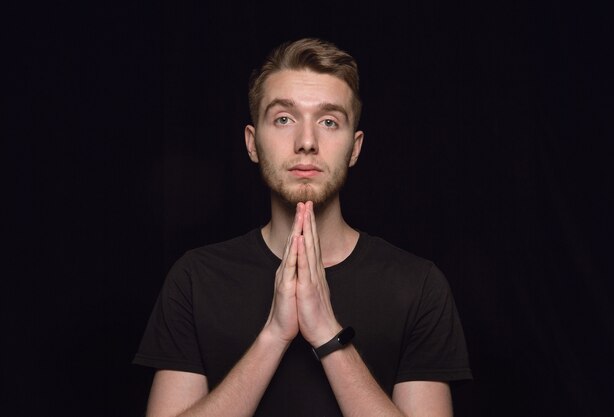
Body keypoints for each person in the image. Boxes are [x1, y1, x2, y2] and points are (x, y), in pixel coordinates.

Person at [133, 37, 472, 417]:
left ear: (355, 147)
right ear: (252, 143)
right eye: (283, 119)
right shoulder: (195, 278)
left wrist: (327, 333)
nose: (307, 141)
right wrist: (273, 336)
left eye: (329, 121)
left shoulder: (418, 285)